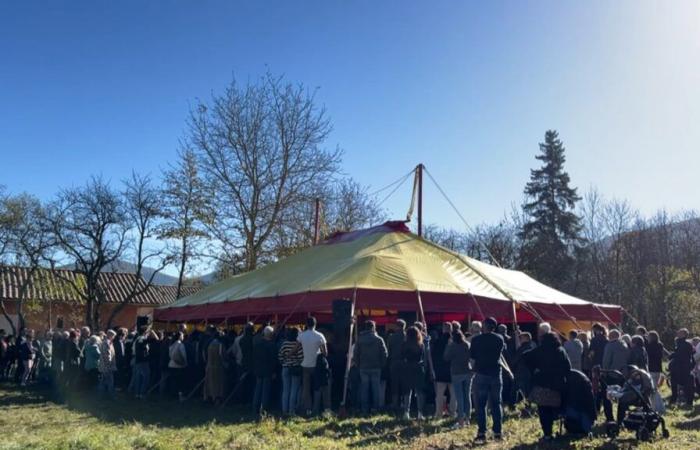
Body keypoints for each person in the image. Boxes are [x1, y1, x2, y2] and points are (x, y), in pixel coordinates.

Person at [525, 332, 571, 441]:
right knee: (558, 408)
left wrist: (534, 369)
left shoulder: (539, 350)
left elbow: (525, 356)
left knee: (543, 410)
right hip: (557, 385)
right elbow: (568, 367)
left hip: (542, 384)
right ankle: (563, 428)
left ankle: (547, 434)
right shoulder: (560, 350)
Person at [470, 317, 505, 442]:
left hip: (481, 373)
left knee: (481, 405)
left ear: (484, 326)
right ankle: (497, 432)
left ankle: (481, 432)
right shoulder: (499, 338)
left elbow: (472, 355)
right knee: (496, 404)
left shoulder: (476, 340)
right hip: (495, 373)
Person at [353, 320, 388, 414]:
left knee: (364, 389)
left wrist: (358, 364)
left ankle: (364, 409)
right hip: (376, 367)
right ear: (373, 327)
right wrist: (382, 365)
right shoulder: (379, 339)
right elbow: (385, 354)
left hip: (363, 367)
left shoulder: (359, 339)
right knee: (376, 389)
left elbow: (355, 354)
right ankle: (375, 408)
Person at [298, 317, 327, 415]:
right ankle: (315, 409)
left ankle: (307, 409)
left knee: (306, 389)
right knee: (317, 387)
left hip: (305, 365)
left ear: (306, 324)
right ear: (315, 324)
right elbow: (325, 352)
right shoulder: (320, 336)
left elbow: (296, 348)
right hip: (316, 365)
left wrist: (289, 354)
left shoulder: (301, 335)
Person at [444, 329, 471, 428]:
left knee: (459, 397)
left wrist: (448, 345)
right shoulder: (467, 344)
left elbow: (446, 357)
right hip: (467, 371)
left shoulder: (452, 346)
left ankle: (460, 421)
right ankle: (467, 419)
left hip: (456, 372)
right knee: (467, 396)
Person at [401, 325, 426, 420]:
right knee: (419, 392)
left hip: (407, 368)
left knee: (407, 392)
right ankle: (420, 413)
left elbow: (402, 355)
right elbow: (423, 356)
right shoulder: (421, 345)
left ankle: (406, 413)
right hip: (418, 368)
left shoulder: (404, 344)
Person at [432, 322, 456, 418]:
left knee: (439, 394)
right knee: (453, 394)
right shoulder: (454, 341)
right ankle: (453, 413)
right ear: (451, 329)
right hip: (452, 370)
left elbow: (434, 356)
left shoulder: (438, 341)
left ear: (443, 329)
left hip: (440, 370)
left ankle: (438, 413)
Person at [278, 326, 303, 416]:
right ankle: (291, 410)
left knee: (285, 390)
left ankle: (284, 410)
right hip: (295, 368)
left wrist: (284, 363)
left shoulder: (285, 344)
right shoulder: (298, 345)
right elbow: (301, 358)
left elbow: (280, 356)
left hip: (285, 368)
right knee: (294, 390)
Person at [252, 326, 277, 416]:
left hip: (258, 370)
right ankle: (264, 409)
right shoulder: (272, 345)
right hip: (268, 371)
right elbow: (273, 360)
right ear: (271, 335)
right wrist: (274, 371)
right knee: (265, 390)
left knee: (258, 389)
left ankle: (255, 408)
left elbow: (254, 358)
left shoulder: (257, 345)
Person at [669, 328, 694, 406]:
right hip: (677, 368)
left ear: (684, 334)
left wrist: (673, 355)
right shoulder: (679, 343)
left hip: (683, 368)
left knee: (687, 386)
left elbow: (682, 355)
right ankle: (674, 400)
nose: (678, 333)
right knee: (674, 384)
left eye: (680, 333)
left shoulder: (686, 344)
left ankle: (688, 401)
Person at [387, 319, 406, 410]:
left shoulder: (391, 337)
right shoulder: (407, 336)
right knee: (403, 383)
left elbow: (388, 351)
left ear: (397, 326)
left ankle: (395, 403)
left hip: (394, 362)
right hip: (405, 362)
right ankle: (403, 402)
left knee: (394, 383)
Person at [203, 330, 226, 404]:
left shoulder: (209, 344)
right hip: (218, 367)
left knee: (209, 384)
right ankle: (217, 399)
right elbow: (223, 356)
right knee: (217, 384)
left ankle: (208, 398)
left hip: (209, 366)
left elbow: (204, 354)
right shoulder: (220, 345)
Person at [132, 326, 155, 399]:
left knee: (138, 378)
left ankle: (137, 393)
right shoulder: (143, 339)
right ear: (145, 332)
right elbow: (156, 339)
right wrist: (153, 332)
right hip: (143, 361)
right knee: (146, 377)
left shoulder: (138, 338)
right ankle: (142, 393)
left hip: (138, 360)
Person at [168, 331, 188, 402]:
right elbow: (184, 355)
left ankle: (172, 395)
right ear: (180, 336)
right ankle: (180, 396)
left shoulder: (172, 344)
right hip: (179, 366)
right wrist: (185, 363)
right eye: (182, 335)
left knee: (173, 381)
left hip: (171, 364)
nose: (183, 337)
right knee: (180, 382)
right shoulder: (180, 345)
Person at [97, 330, 117, 399]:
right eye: (113, 336)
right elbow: (107, 356)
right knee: (110, 381)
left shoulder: (105, 342)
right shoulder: (107, 343)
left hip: (104, 366)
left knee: (103, 381)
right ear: (110, 335)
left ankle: (101, 395)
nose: (114, 338)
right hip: (107, 366)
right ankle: (111, 396)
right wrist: (109, 365)